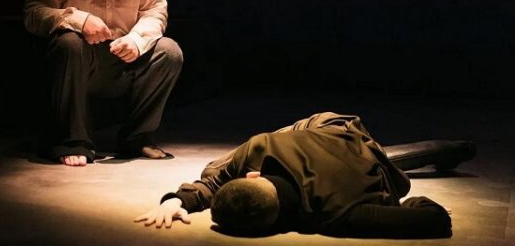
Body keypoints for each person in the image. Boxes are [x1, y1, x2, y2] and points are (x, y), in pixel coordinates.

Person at [135, 112, 476, 238]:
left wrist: (177, 200)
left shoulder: (338, 215)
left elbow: (434, 219)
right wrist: (178, 200)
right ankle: (453, 148)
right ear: (253, 177)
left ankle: (453, 148)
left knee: (214, 170)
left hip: (340, 140)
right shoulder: (260, 148)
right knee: (217, 169)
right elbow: (434, 221)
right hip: (345, 139)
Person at [23, 0, 183, 167]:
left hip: (123, 59)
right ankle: (71, 140)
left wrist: (136, 40)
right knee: (68, 42)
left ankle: (137, 137)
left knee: (169, 51)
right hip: (78, 61)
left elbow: (155, 10)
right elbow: (34, 13)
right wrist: (79, 20)